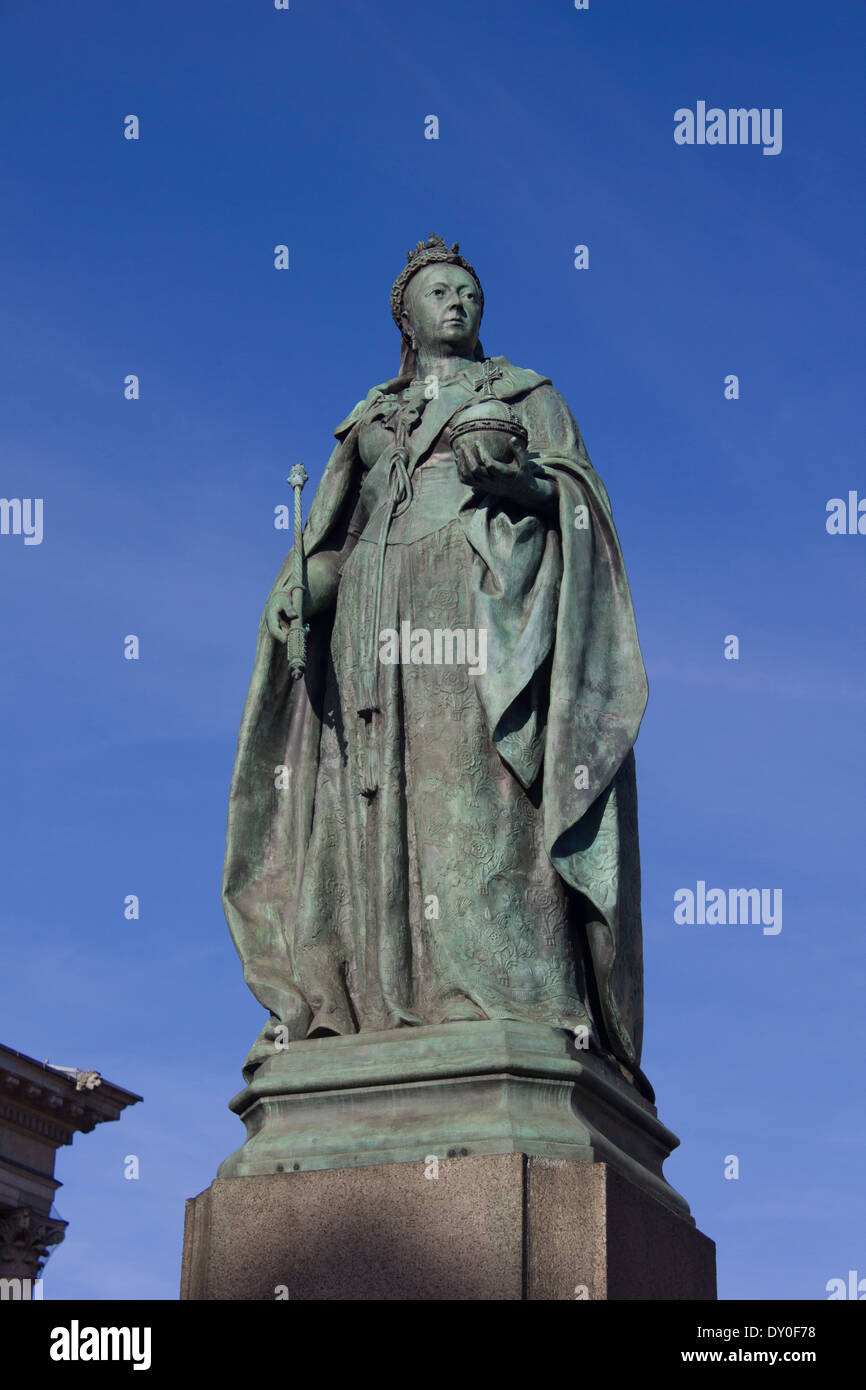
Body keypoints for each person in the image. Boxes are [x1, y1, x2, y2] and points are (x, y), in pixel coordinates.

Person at [223, 235, 653, 1099]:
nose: (457, 302)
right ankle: (367, 1002)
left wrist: (523, 483)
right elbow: (337, 540)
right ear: (406, 316)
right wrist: (305, 583)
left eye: (468, 290)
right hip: (374, 637)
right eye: (439, 292)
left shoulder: (526, 395)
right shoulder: (370, 416)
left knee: (476, 800)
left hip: (480, 618)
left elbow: (582, 503)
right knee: (370, 813)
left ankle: (510, 998)